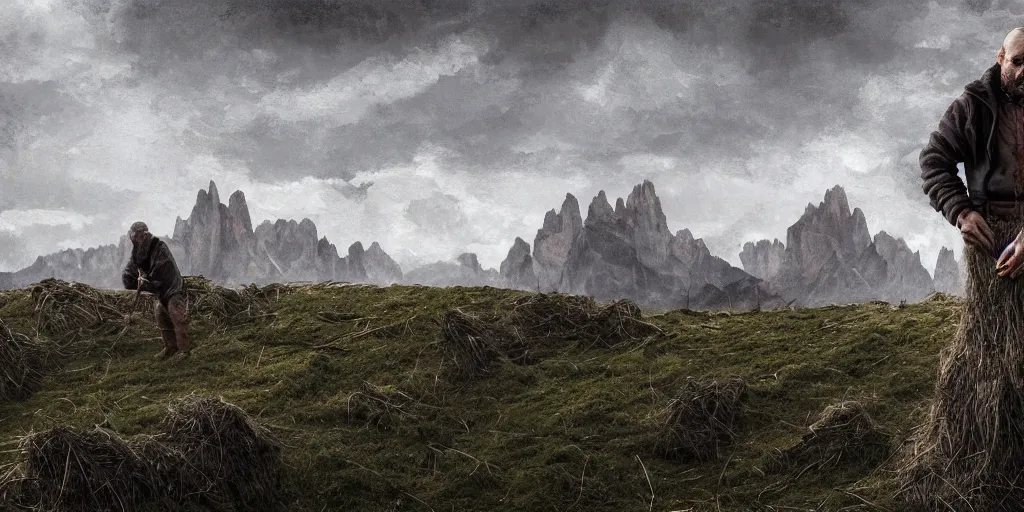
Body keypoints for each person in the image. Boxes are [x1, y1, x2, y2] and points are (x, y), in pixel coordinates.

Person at [903, 27, 1024, 508]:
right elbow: (934, 160)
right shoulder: (972, 105)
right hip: (989, 239)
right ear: (1000, 58)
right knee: (991, 353)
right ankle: (989, 450)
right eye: (1018, 61)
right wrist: (961, 210)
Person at [121, 221, 190, 360]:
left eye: (141, 235)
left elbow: (162, 268)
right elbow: (130, 271)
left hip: (172, 288)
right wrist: (133, 279)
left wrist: (146, 279)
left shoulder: (159, 247)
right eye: (136, 236)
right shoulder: (138, 252)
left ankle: (184, 351)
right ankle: (170, 347)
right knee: (161, 317)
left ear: (145, 234)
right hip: (160, 292)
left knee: (176, 316)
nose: (138, 238)